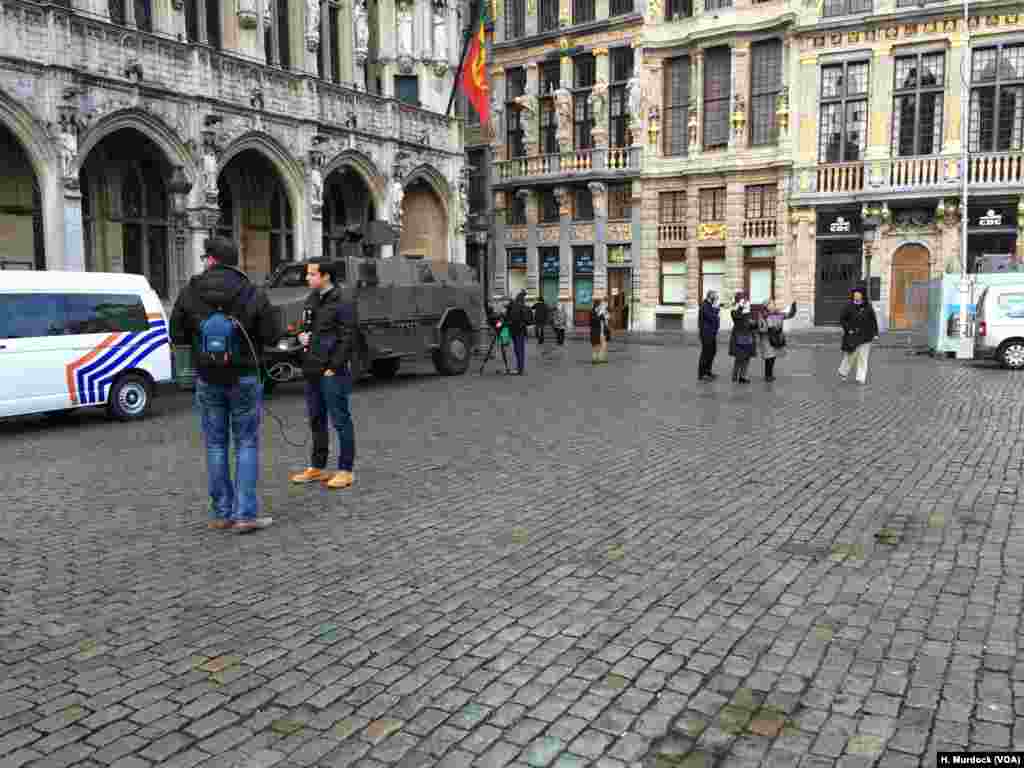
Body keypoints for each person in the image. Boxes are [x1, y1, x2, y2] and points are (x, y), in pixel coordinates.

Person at [170, 237, 278, 533]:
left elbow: (176, 335)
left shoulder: (191, 290)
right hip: (245, 377)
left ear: (212, 260)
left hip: (207, 378)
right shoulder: (252, 291)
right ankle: (245, 515)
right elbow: (271, 335)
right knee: (246, 443)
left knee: (216, 445)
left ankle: (222, 513)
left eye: (206, 257)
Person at [289, 260, 358, 488]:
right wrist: (301, 335)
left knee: (340, 419)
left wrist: (334, 367)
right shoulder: (312, 299)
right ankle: (318, 467)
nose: (307, 278)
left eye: (311, 274)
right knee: (316, 419)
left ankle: (346, 470)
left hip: (331, 371)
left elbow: (348, 337)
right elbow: (304, 325)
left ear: (326, 276)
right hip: (312, 368)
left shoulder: (343, 301)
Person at [838, 285, 879, 384]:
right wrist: (848, 329)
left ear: (862, 296)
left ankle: (860, 378)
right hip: (852, 336)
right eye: (855, 294)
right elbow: (842, 319)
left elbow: (873, 321)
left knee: (863, 357)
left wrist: (875, 333)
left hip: (866, 336)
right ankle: (843, 372)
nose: (856, 296)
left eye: (858, 294)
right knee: (850, 356)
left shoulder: (868, 307)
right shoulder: (848, 306)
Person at [756, 300, 798, 382]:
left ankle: (769, 374)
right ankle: (768, 375)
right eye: (771, 304)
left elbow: (790, 315)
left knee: (773, 357)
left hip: (776, 338)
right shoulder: (763, 315)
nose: (773, 305)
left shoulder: (778, 314)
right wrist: (769, 328)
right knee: (769, 357)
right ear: (766, 306)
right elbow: (761, 327)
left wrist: (793, 307)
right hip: (766, 338)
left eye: (773, 304)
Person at [729, 292, 756, 384]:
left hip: (748, 336)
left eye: (746, 300)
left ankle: (743, 376)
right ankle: (735, 376)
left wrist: (754, 324)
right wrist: (740, 306)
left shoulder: (748, 311)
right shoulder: (735, 310)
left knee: (747, 358)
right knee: (739, 358)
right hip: (739, 336)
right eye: (743, 300)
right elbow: (736, 317)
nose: (746, 302)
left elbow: (751, 323)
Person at [505, 290, 530, 374]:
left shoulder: (513, 307)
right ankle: (520, 368)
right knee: (520, 350)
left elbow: (508, 319)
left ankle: (519, 369)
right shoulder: (521, 306)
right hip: (520, 331)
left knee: (518, 350)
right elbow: (526, 320)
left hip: (515, 331)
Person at [697, 290, 720, 381]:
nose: (716, 298)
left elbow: (715, 318)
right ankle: (702, 374)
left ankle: (708, 371)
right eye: (715, 297)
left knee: (712, 352)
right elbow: (711, 317)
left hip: (712, 333)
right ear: (710, 297)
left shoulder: (710, 305)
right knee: (706, 353)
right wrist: (716, 309)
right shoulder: (705, 305)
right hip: (706, 334)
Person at [591, 298, 610, 364]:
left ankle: (601, 358)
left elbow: (606, 319)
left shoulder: (602, 311)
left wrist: (606, 316)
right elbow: (593, 321)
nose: (601, 306)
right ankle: (595, 359)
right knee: (596, 345)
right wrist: (600, 315)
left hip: (602, 331)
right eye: (600, 305)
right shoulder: (593, 311)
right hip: (596, 331)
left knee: (603, 345)